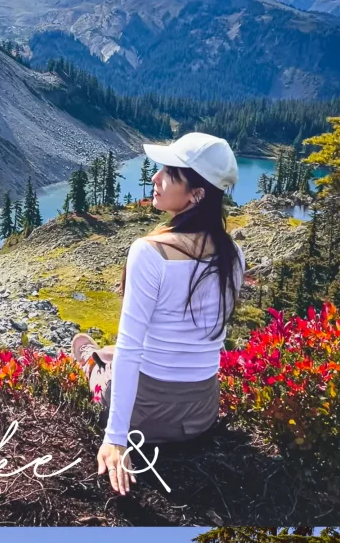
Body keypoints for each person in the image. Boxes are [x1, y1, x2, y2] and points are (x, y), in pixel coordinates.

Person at [70, 132, 245, 496]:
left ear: (197, 194)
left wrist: (116, 439)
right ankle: (101, 356)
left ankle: (91, 362)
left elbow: (133, 348)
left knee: (109, 358)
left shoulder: (150, 252)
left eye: (169, 172)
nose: (155, 178)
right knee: (120, 352)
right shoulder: (233, 255)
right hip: (201, 413)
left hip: (146, 417)